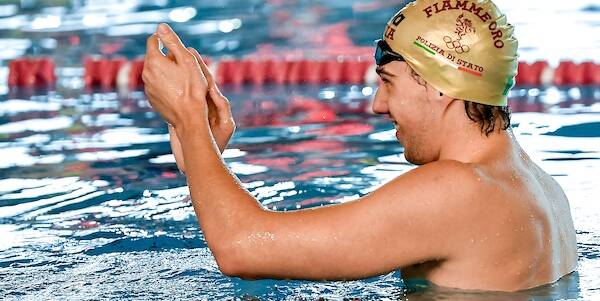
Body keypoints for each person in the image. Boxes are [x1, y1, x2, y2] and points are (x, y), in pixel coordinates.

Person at [142, 0, 578, 292]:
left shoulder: (457, 189)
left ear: (442, 86)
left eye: (388, 83)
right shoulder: (537, 186)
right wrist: (203, 160)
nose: (376, 105)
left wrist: (188, 118)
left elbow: (242, 249)